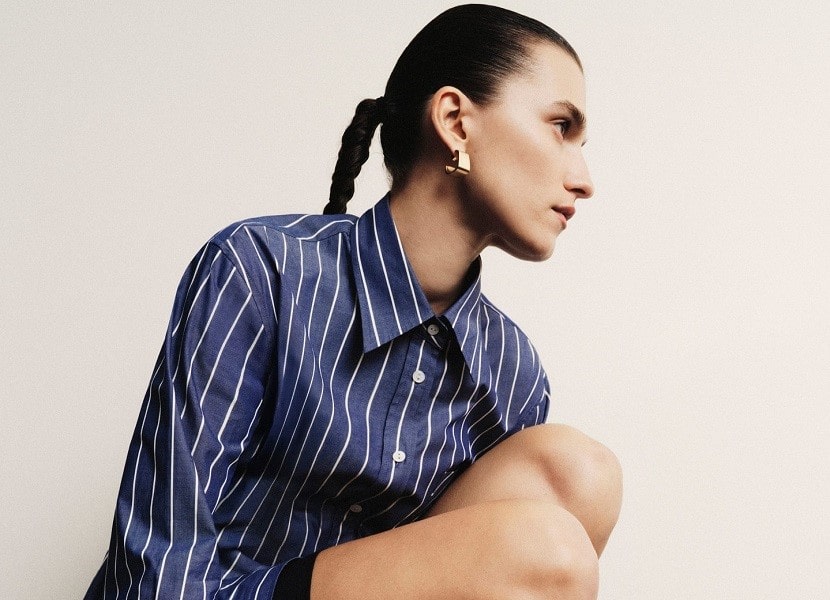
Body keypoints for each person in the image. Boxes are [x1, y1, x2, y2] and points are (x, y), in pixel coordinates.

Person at [85, 4, 622, 599]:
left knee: (578, 473)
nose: (584, 180)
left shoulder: (512, 371)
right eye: (560, 127)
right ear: (455, 121)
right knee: (547, 546)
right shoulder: (263, 269)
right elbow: (162, 552)